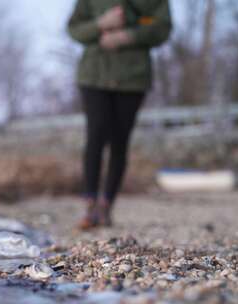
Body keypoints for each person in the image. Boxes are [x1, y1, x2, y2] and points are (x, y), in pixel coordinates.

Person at [67, 0, 172, 229]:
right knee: (95, 137)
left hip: (132, 79)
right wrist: (100, 24)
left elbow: (162, 28)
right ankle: (90, 205)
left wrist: (128, 36)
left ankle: (106, 206)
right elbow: (74, 29)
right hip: (94, 76)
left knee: (120, 141)